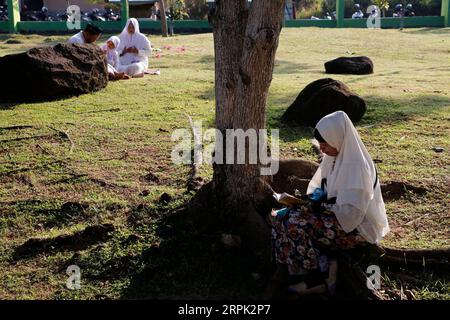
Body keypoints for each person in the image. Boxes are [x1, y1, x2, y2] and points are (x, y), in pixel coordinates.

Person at [270, 111, 390, 296]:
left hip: (357, 229)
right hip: (335, 217)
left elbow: (351, 215)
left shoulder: (356, 166)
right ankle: (296, 272)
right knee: (280, 216)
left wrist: (318, 207)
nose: (322, 148)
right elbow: (321, 187)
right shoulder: (333, 158)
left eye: (325, 144)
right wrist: (306, 200)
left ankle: (317, 278)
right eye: (320, 144)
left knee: (295, 223)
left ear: (338, 138)